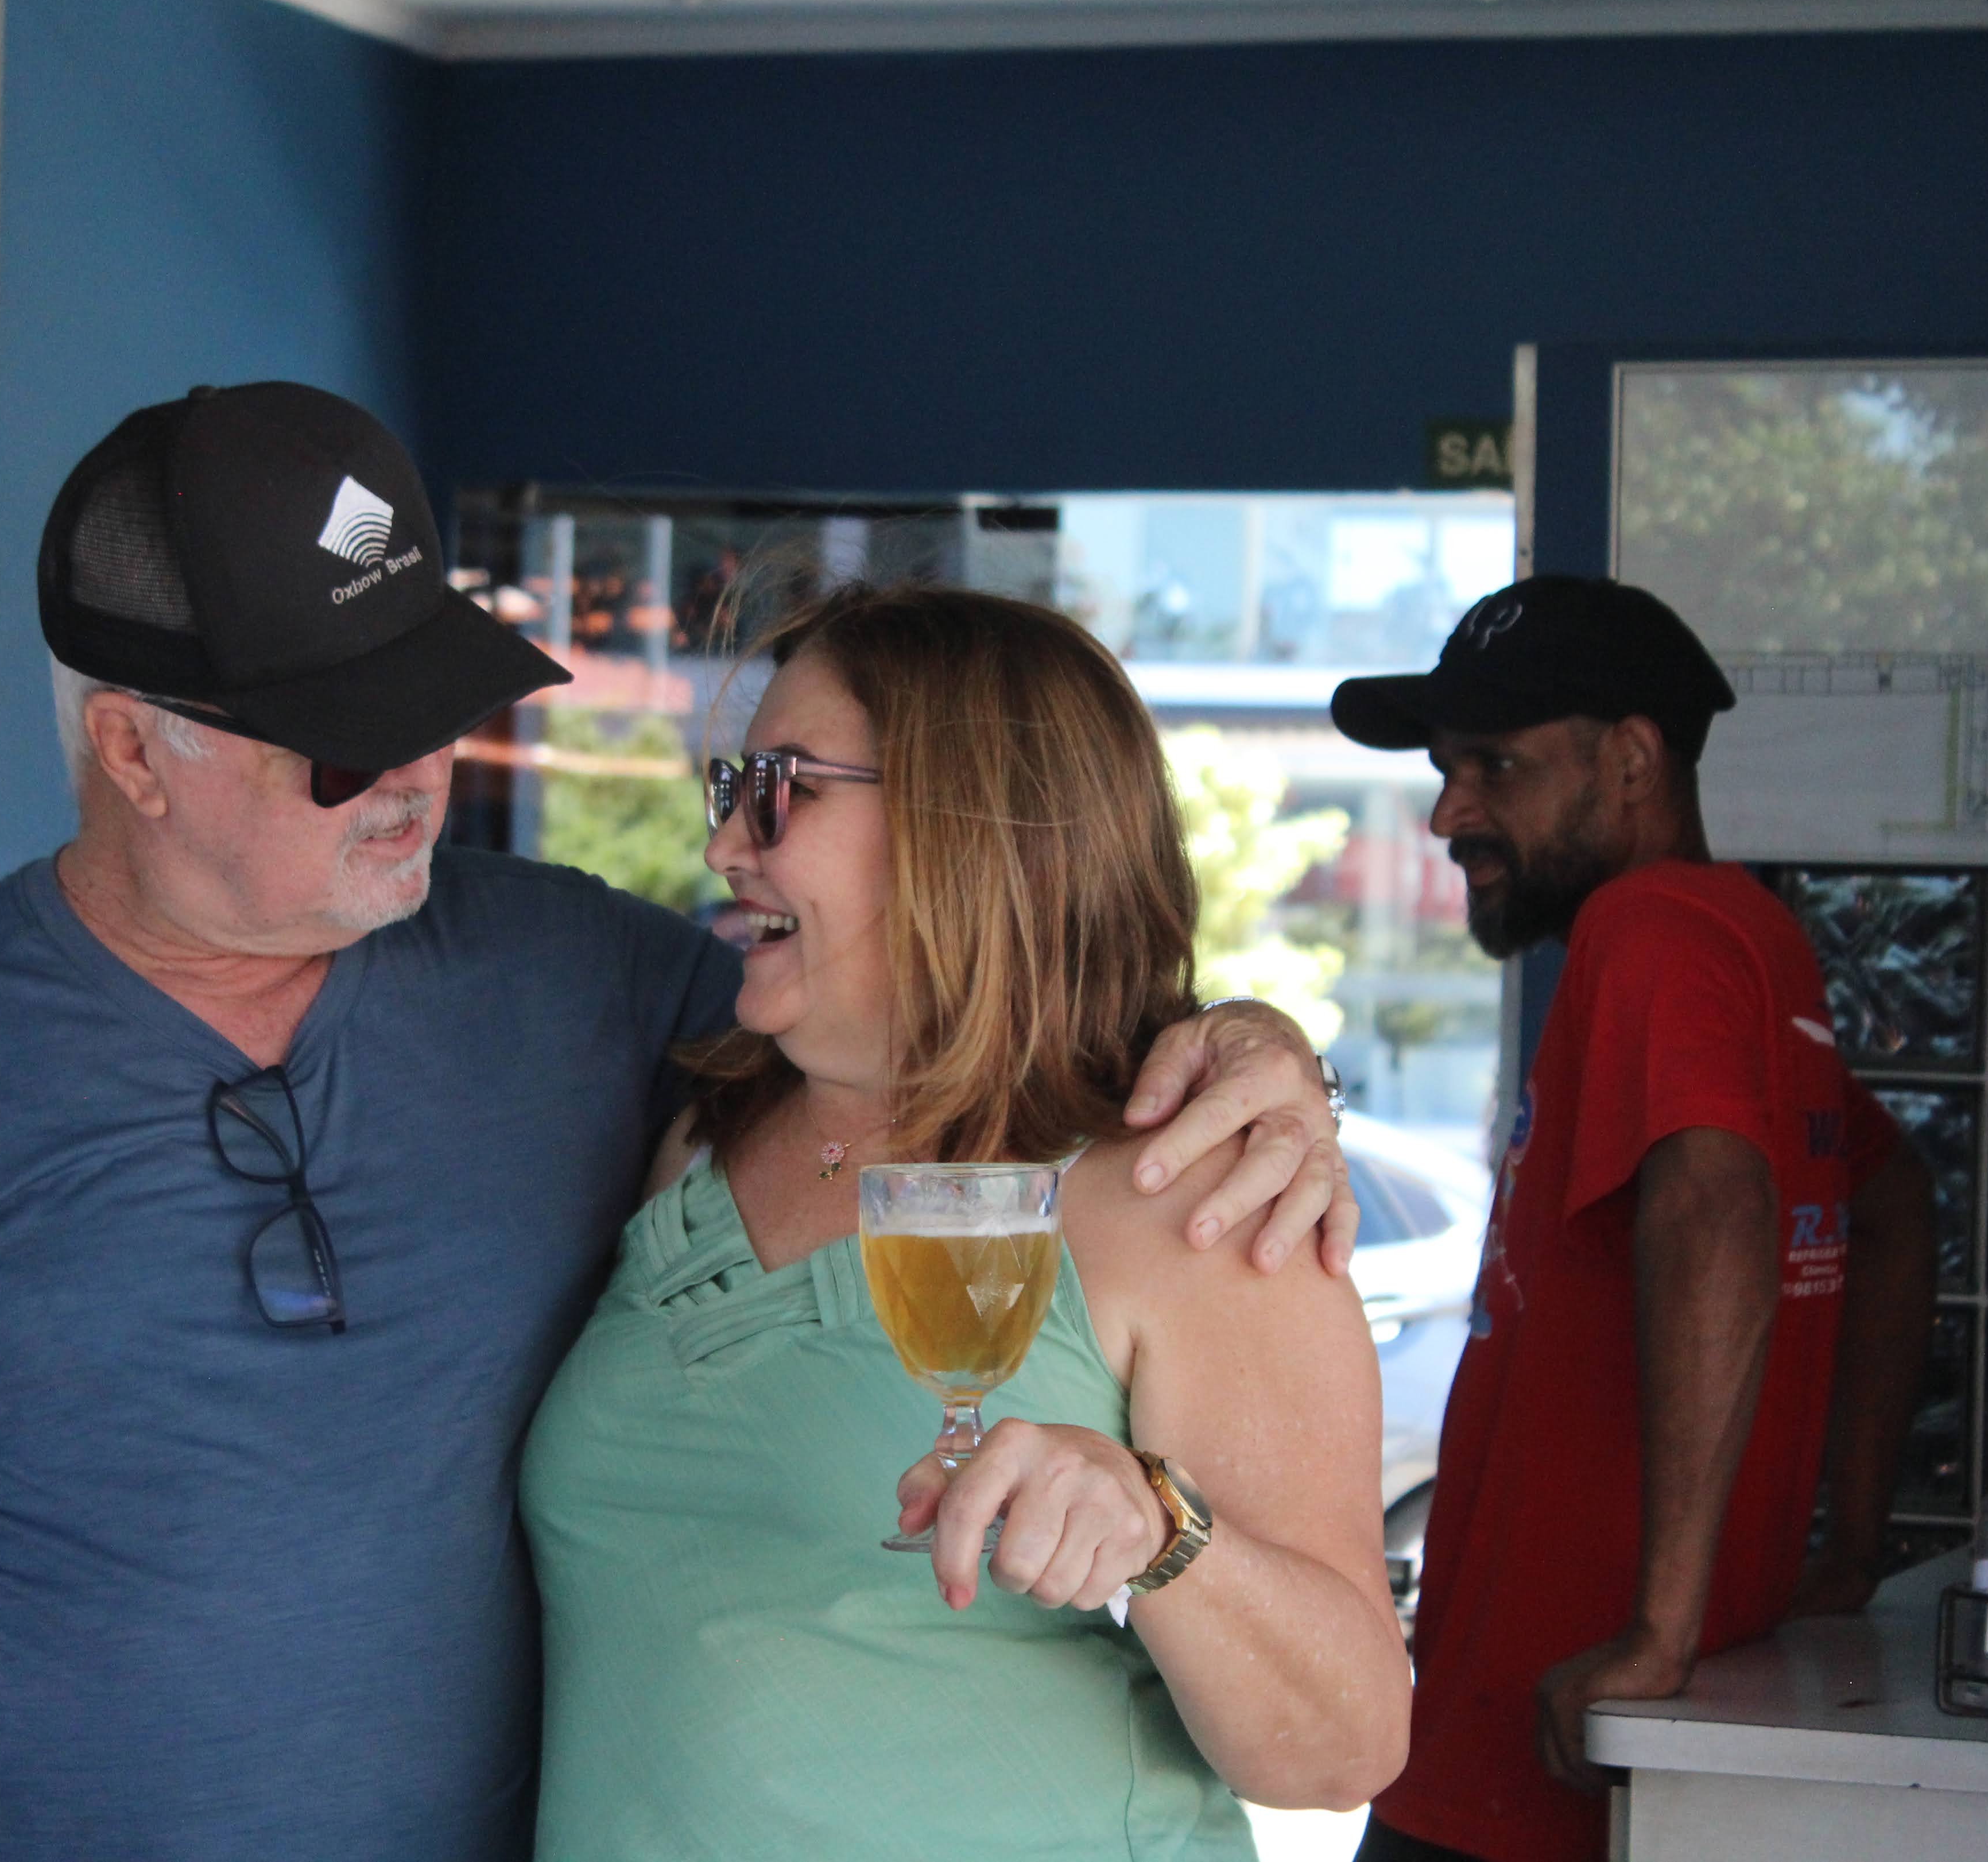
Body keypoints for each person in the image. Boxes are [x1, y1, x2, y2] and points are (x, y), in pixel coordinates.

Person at [0, 383, 1357, 1862]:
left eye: (434, 706)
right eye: (343, 740)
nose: (416, 774)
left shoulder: (584, 980)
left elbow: (950, 1013)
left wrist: (1251, 1048)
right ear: (135, 753)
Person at [521, 584, 1412, 1860]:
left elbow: (1342, 1748)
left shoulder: (1183, 1201)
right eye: (729, 784)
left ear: (968, 828)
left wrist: (1158, 1528)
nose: (723, 844)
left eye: (779, 788)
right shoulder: (695, 1149)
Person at [1330, 576, 1937, 1862]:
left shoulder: (1646, 927)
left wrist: (1658, 1635)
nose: (1448, 813)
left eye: (1496, 765)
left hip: (1532, 1757)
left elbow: (1715, 1204)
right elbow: (1890, 1200)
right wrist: (1849, 1542)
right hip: (1623, 1748)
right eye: (1445, 770)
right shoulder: (1752, 940)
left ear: (1630, 761)